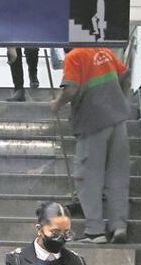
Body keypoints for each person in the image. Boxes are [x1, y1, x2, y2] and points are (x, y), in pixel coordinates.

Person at [50, 48, 130, 244]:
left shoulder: (74, 56)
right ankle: (118, 226)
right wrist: (121, 101)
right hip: (118, 121)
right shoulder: (105, 52)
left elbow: (71, 89)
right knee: (117, 176)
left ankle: (95, 231)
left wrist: (57, 104)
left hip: (92, 123)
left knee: (88, 178)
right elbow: (125, 75)